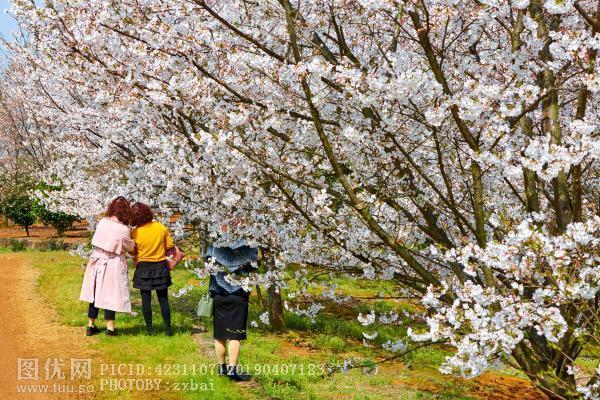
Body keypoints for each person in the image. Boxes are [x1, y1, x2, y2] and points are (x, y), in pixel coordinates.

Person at [80, 196, 135, 336]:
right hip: (112, 263)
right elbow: (129, 247)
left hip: (97, 261)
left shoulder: (103, 222)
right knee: (110, 294)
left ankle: (90, 326)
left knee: (94, 293)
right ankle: (110, 328)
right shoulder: (123, 229)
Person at [206, 237, 258, 381]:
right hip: (239, 293)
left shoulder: (215, 240)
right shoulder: (248, 242)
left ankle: (221, 368)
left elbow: (208, 264)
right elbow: (254, 265)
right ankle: (232, 370)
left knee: (220, 334)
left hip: (219, 292)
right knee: (235, 334)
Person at [130, 202, 175, 336]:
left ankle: (150, 329)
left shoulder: (135, 232)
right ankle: (168, 329)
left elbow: (132, 252)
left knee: (146, 300)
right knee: (163, 299)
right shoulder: (160, 227)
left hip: (143, 267)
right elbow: (170, 245)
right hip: (160, 266)